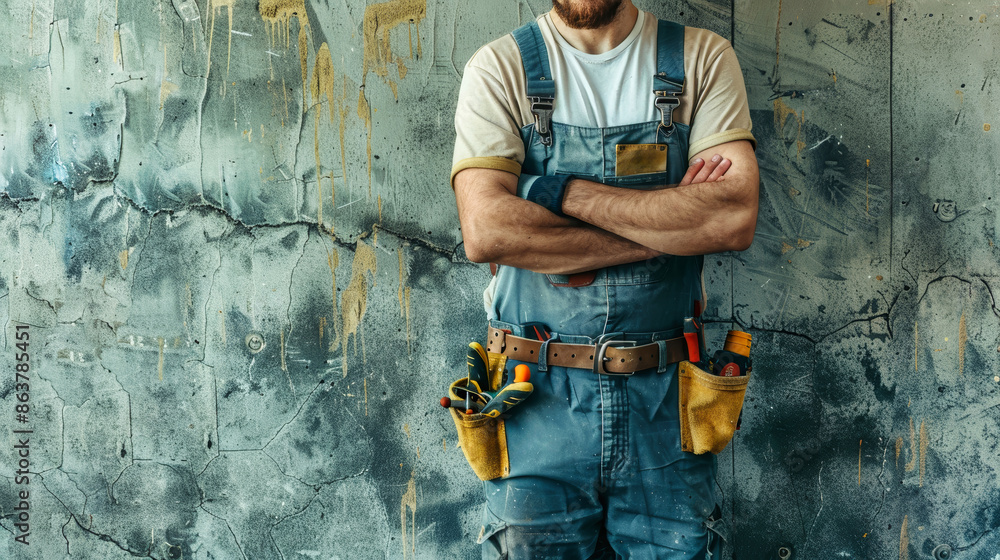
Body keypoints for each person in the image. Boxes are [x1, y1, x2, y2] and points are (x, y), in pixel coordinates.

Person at [450, 0, 759, 557]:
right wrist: (674, 223)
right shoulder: (499, 69)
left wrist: (559, 193)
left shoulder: (701, 60)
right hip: (533, 403)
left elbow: (732, 217)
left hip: (666, 409)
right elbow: (488, 232)